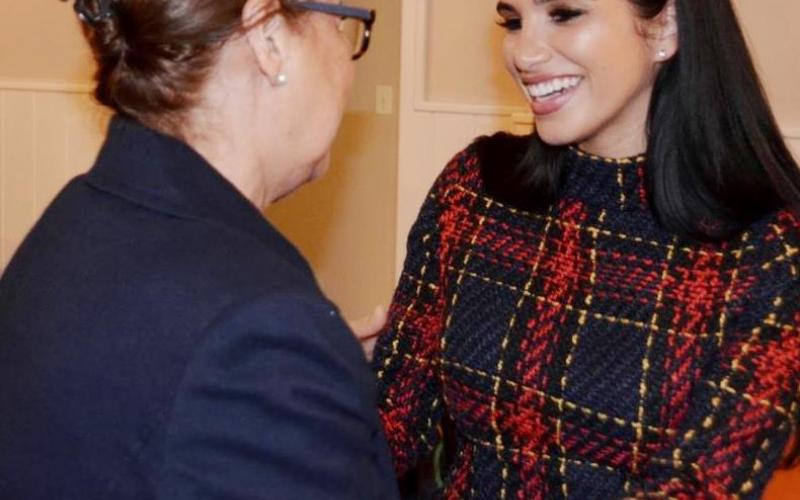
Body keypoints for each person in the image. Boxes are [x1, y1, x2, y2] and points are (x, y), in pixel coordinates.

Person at [371, 0, 800, 497]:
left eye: (565, 13)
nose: (524, 53)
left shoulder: (770, 252)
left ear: (665, 27)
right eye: (512, 22)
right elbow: (390, 421)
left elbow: (698, 487)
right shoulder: (473, 190)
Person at [0, 0, 399, 499]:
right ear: (269, 37)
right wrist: (296, 361)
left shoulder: (79, 217)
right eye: (342, 26)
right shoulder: (259, 334)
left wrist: (317, 367)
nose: (346, 64)